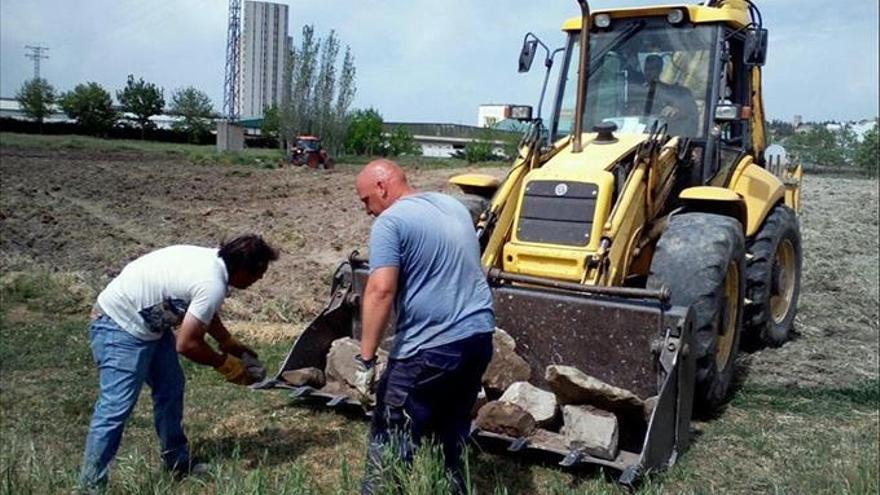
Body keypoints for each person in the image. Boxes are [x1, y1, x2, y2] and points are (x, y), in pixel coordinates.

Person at [78, 234, 279, 490]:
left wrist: (227, 341)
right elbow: (187, 344)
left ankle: (177, 462)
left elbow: (200, 309)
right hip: (118, 326)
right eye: (258, 273)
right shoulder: (212, 282)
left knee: (171, 388)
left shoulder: (214, 262)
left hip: (149, 326)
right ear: (241, 268)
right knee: (116, 407)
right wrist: (227, 365)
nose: (259, 279)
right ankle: (90, 485)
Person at [353, 159, 495, 494]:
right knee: (451, 432)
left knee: (391, 434)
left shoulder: (391, 222)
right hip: (478, 338)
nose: (367, 211)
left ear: (382, 187)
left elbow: (381, 290)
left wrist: (367, 359)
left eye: (365, 201)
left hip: (430, 347)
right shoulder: (453, 207)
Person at [633, 54, 699, 135]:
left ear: (660, 70)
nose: (649, 72)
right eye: (646, 69)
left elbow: (691, 117)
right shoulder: (637, 93)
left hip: (668, 138)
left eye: (652, 69)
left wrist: (676, 112)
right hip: (640, 137)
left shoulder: (677, 93)